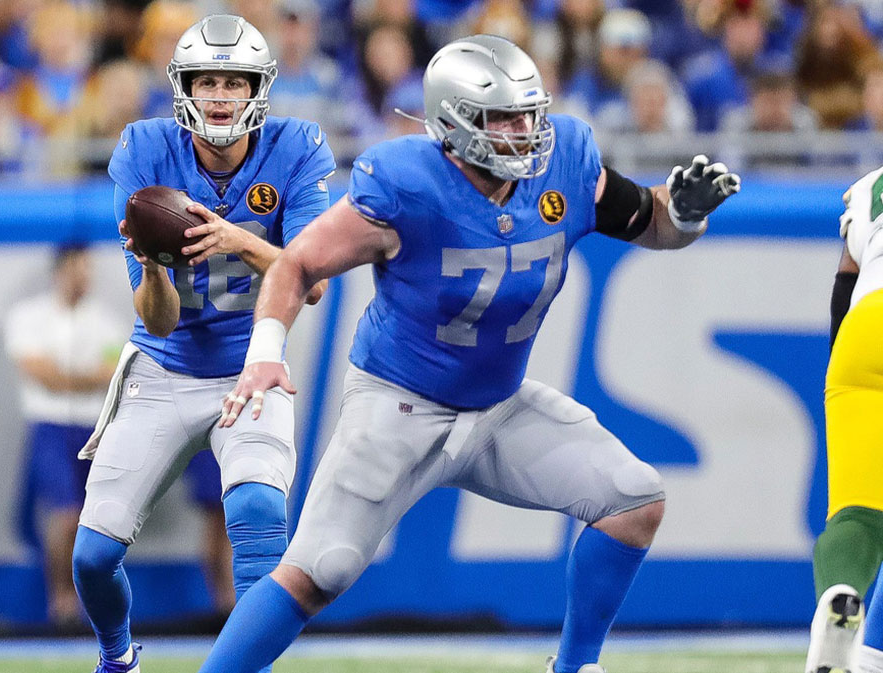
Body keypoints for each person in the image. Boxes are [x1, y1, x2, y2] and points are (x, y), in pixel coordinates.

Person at [201, 34, 740, 673]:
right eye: (504, 119)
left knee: (633, 499)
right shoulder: (406, 181)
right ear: (453, 123)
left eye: (529, 114)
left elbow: (647, 221)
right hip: (398, 403)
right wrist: (266, 350)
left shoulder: (565, 157)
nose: (524, 131)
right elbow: (297, 263)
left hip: (497, 406)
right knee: (321, 569)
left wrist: (680, 214)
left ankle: (575, 668)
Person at [71, 14, 334, 673]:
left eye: (234, 81)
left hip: (250, 366)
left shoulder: (297, 146)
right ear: (184, 86)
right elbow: (156, 320)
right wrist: (156, 264)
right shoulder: (143, 149)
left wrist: (235, 237)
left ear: (258, 90)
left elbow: (311, 283)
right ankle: (117, 654)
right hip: (163, 365)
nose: (220, 94)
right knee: (93, 556)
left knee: (255, 509)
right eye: (207, 80)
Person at [4, 244, 125, 626]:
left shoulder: (106, 321)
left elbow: (111, 374)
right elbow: (42, 374)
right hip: (51, 426)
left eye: (87, 269)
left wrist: (66, 377)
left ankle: (94, 601)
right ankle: (62, 600)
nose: (83, 277)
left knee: (100, 520)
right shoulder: (30, 316)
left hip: (95, 427)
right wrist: (82, 378)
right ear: (59, 271)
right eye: (76, 269)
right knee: (66, 514)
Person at [807, 166, 883, 673]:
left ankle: (841, 602)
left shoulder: (871, 182)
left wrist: (847, 373)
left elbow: (845, 278)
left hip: (865, 326)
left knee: (858, 513)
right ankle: (874, 652)